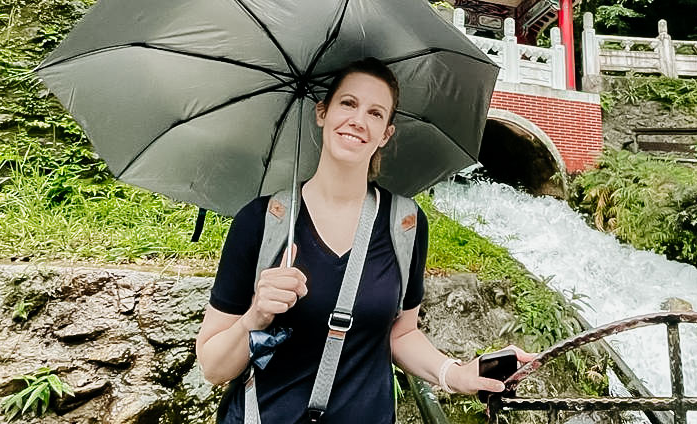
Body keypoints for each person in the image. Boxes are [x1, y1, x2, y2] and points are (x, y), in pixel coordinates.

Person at [196, 58, 533, 423]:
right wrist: (256, 315)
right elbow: (213, 368)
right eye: (348, 103)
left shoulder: (404, 224)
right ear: (322, 112)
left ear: (386, 133)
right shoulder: (263, 221)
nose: (358, 120)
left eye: (375, 113)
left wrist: (456, 374)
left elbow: (401, 334)